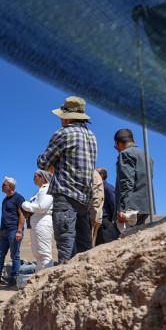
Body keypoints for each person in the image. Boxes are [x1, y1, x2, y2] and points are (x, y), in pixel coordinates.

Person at [37, 96, 98, 264]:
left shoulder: (64, 133)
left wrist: (52, 163)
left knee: (65, 247)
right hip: (84, 199)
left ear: (69, 116)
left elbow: (43, 162)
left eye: (63, 116)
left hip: (65, 196)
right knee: (84, 248)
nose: (60, 119)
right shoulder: (92, 137)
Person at [114, 129, 154, 227]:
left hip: (131, 209)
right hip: (145, 206)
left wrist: (123, 209)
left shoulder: (125, 154)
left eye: (116, 146)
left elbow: (126, 183)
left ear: (118, 143)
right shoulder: (146, 156)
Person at [0, 177, 25, 287]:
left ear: (10, 187)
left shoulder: (19, 198)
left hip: (14, 230)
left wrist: (19, 231)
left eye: (3, 185)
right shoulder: (5, 200)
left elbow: (22, 215)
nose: (1, 186)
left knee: (14, 255)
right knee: (0, 254)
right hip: (4, 232)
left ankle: (14, 279)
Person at [22, 170, 54, 272]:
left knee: (44, 253)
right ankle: (39, 278)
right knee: (37, 253)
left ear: (43, 177)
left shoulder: (48, 188)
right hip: (35, 222)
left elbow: (42, 207)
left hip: (43, 221)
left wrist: (26, 205)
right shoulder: (39, 191)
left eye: (36, 176)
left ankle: (47, 278)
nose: (34, 178)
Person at [95, 167, 118, 245]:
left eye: (95, 173)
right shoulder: (95, 188)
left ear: (101, 175)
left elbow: (114, 204)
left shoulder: (107, 188)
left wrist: (112, 221)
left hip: (106, 223)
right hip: (97, 223)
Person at [89, 168, 104, 245]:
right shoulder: (101, 182)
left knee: (90, 236)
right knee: (94, 236)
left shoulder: (94, 174)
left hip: (94, 210)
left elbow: (95, 194)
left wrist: (92, 207)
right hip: (98, 211)